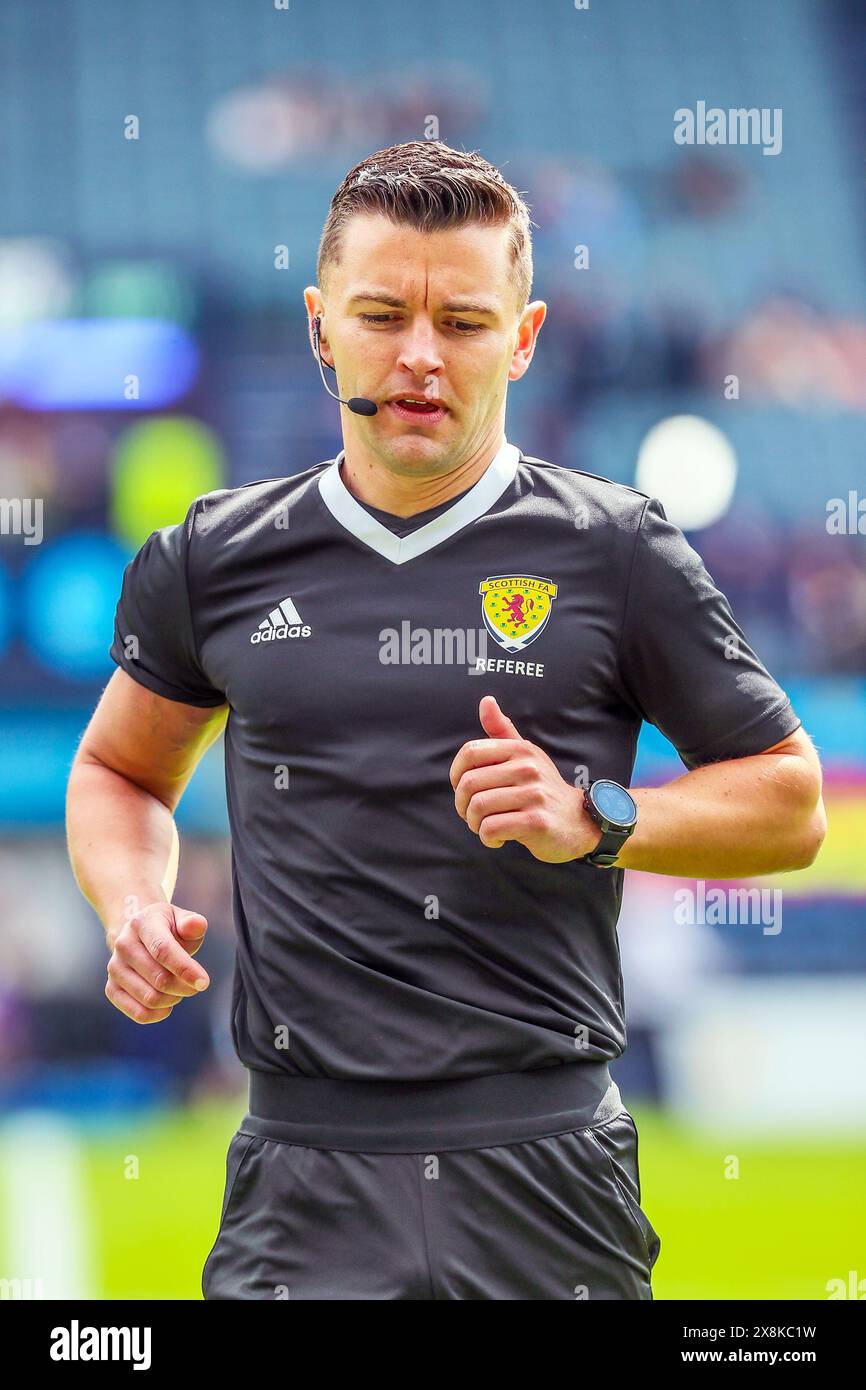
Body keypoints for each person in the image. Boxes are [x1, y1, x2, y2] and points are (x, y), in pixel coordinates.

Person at [66, 140, 826, 1300]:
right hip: (300, 1176)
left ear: (520, 339)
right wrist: (132, 908)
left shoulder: (615, 550)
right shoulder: (212, 558)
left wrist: (596, 817)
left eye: (464, 324)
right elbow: (119, 771)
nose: (420, 355)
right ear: (322, 326)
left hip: (546, 1171)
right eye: (382, 315)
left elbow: (789, 799)